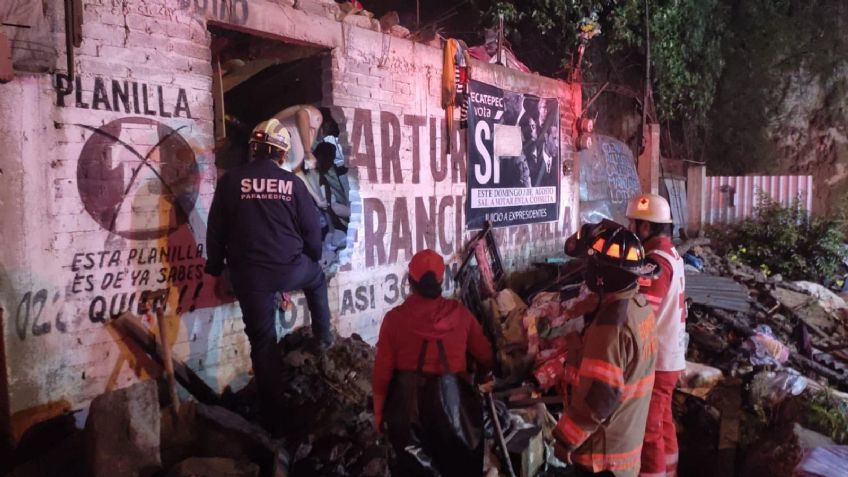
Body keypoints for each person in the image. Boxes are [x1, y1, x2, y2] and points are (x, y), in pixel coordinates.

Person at [205, 118, 334, 435]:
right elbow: (312, 231)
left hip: (250, 278)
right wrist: (312, 258)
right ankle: (324, 340)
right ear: (281, 154)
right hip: (290, 269)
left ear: (253, 150)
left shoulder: (230, 182)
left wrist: (215, 266)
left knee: (263, 343)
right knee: (316, 279)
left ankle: (273, 419)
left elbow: (216, 230)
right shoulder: (294, 185)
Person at [372, 249, 494, 476]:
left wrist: (379, 414)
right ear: (441, 280)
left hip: (410, 415)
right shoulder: (461, 314)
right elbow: (485, 354)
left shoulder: (394, 320)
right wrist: (483, 372)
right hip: (455, 412)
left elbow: (382, 374)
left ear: (410, 282)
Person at [553, 226, 658, 477]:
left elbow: (599, 396)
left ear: (600, 274)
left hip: (601, 460)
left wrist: (564, 439)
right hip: (625, 451)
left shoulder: (610, 327)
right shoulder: (640, 307)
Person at [626, 193, 687, 477]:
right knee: (663, 423)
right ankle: (671, 470)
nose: (631, 231)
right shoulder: (672, 255)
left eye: (633, 225)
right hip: (671, 357)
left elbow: (642, 312)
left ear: (646, 228)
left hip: (658, 360)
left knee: (649, 431)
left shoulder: (654, 263)